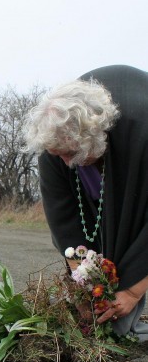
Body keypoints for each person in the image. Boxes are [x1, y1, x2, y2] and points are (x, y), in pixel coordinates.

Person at [24, 65, 148, 341]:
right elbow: (64, 217)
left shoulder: (141, 133)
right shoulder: (55, 144)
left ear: (97, 138)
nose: (67, 163)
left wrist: (130, 291)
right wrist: (84, 283)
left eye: (71, 154)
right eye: (59, 155)